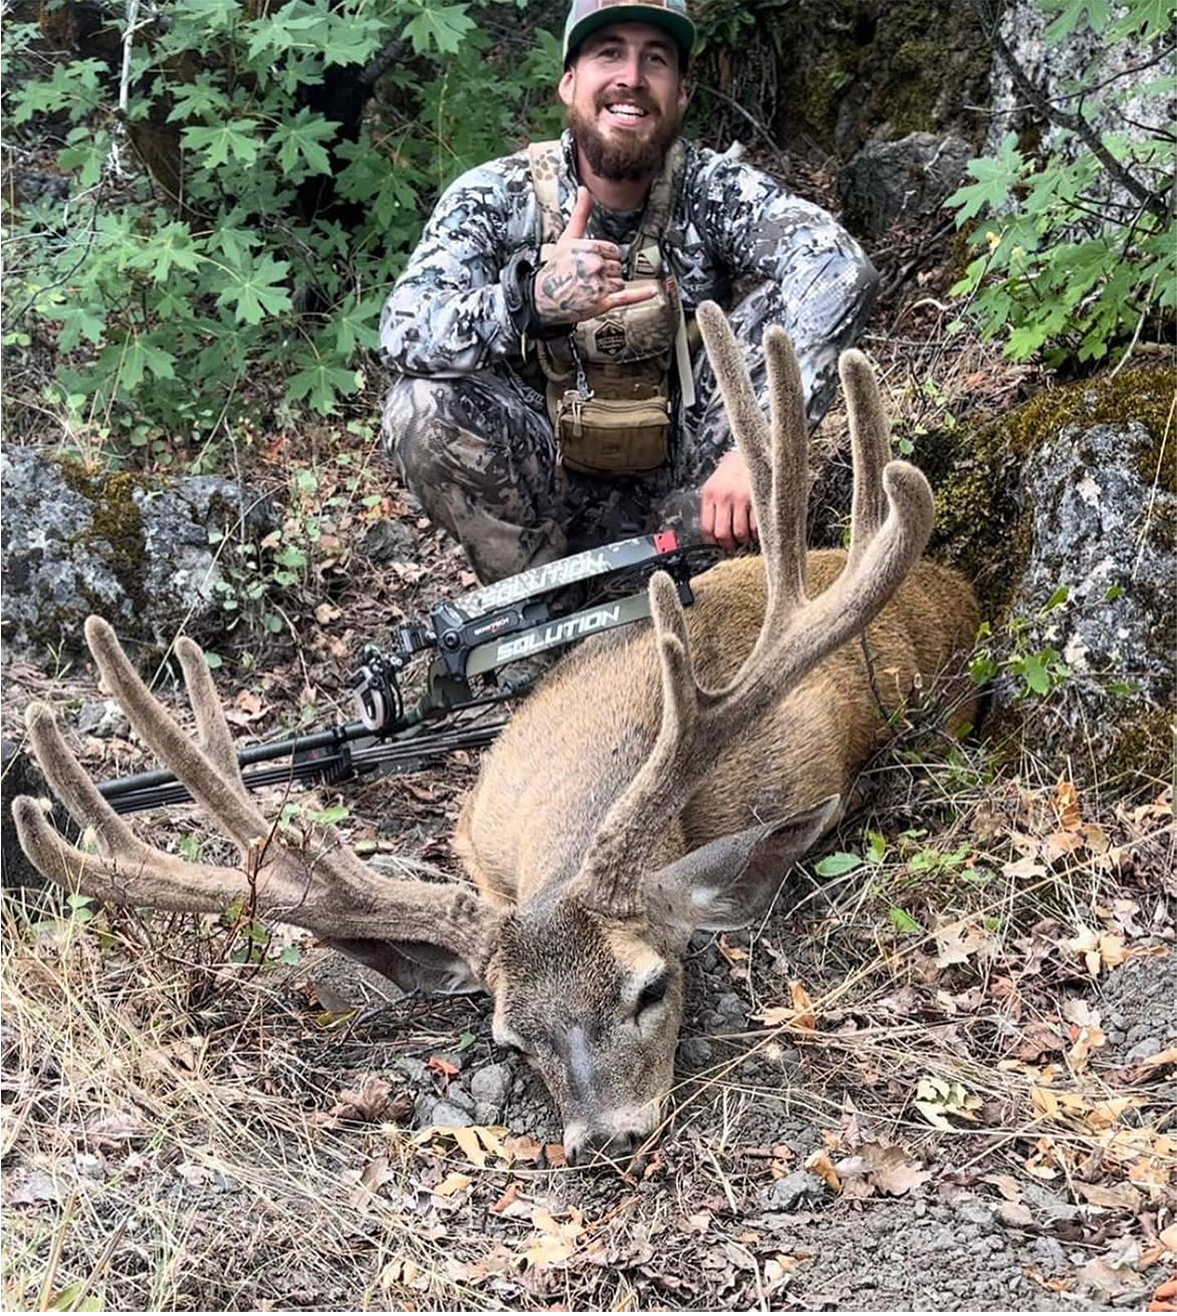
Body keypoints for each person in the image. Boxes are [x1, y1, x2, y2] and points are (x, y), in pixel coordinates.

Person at [379, 0, 878, 585]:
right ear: (569, 82)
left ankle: (700, 578)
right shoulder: (495, 196)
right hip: (543, 488)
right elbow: (405, 327)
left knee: (782, 313)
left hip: (687, 494)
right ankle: (536, 603)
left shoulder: (712, 190)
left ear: (682, 93)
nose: (632, 78)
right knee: (422, 405)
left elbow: (841, 267)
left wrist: (758, 445)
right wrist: (527, 302)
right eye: (609, 53)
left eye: (655, 59)